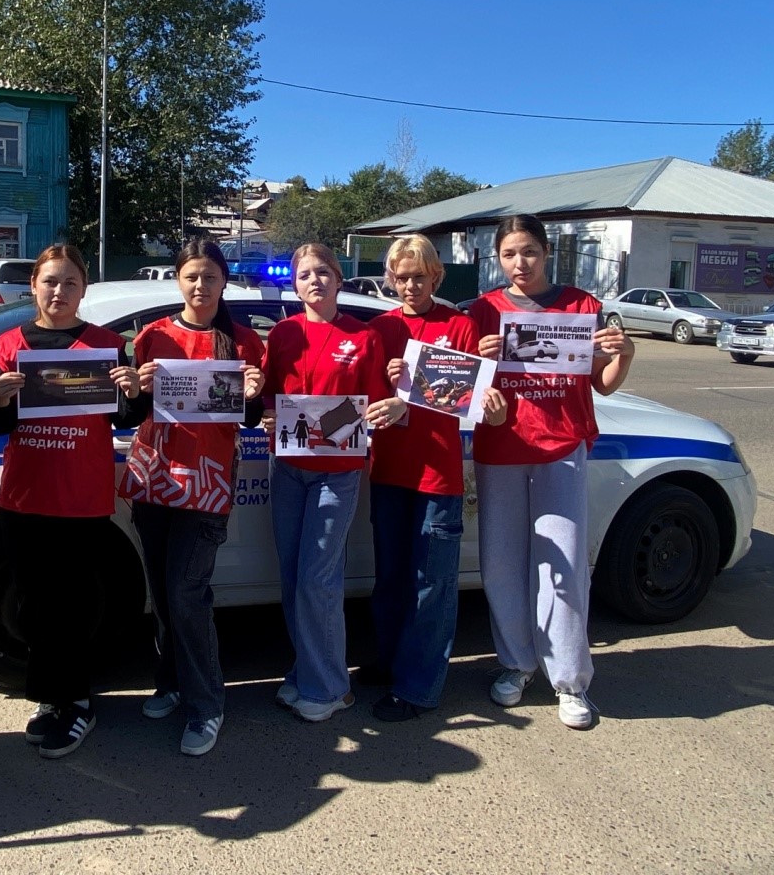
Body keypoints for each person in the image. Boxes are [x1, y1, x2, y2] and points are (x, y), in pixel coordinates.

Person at [467, 215, 634, 730]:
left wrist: (623, 355)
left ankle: (570, 681)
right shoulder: (482, 311)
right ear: (498, 258)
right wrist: (478, 359)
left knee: (561, 569)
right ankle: (516, 664)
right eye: (511, 254)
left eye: (530, 252)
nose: (521, 263)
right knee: (500, 566)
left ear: (547, 253)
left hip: (561, 449)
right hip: (501, 451)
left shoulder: (582, 307)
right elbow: (456, 386)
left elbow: (603, 384)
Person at [0, 244, 146, 758]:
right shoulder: (9, 346)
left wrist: (133, 392)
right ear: (33, 286)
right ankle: (51, 697)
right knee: (33, 604)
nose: (59, 291)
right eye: (50, 281)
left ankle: (76, 702)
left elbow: (123, 421)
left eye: (69, 283)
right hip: (26, 494)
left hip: (82, 495)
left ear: (83, 289)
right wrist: (1, 399)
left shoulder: (104, 345)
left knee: (73, 604)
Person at [119, 240, 266, 756]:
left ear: (223, 282)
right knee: (161, 593)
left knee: (187, 593)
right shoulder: (152, 337)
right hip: (154, 479)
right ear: (177, 281)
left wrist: (254, 393)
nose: (200, 286)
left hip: (206, 485)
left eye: (209, 276)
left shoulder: (244, 342)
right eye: (191, 276)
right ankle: (172, 682)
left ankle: (208, 705)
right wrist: (135, 389)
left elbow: (249, 419)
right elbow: (130, 412)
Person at [364, 236, 506, 721]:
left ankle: (419, 688)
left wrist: (417, 395)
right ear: (390, 279)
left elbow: (470, 399)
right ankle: (389, 663)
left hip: (438, 476)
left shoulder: (459, 326)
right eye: (401, 278)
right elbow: (363, 395)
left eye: (419, 277)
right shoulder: (379, 327)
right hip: (388, 472)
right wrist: (385, 379)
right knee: (391, 580)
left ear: (436, 278)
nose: (409, 286)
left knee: (431, 585)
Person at [261, 242, 403, 723]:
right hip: (287, 469)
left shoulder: (363, 337)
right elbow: (268, 397)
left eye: (324, 272)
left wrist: (324, 425)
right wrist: (266, 416)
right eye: (305, 275)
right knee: (293, 576)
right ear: (295, 284)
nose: (315, 281)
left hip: (337, 474)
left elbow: (373, 406)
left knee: (319, 580)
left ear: (339, 280)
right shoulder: (282, 334)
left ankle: (331, 688)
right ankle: (305, 672)